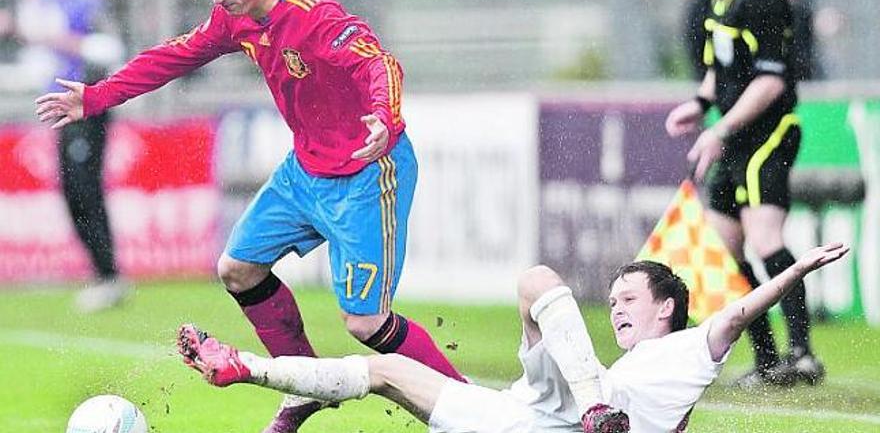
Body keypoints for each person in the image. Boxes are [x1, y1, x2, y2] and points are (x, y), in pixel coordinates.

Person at [33, 0, 465, 430]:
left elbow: (379, 63)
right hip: (304, 172)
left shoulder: (314, 14)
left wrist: (386, 116)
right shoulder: (232, 18)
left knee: (365, 324)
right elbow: (174, 56)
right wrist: (96, 98)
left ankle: (470, 407)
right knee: (238, 268)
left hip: (367, 174)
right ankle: (305, 386)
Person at [178, 243, 849, 433]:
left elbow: (737, 313)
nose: (615, 307)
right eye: (611, 297)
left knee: (535, 279)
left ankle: (592, 407)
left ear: (668, 306)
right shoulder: (622, 358)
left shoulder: (691, 346)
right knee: (382, 372)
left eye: (628, 298)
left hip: (579, 407)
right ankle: (249, 368)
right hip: (526, 413)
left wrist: (797, 268)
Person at [664, 0, 822, 387]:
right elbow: (722, 66)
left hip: (767, 136)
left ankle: (803, 354)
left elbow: (771, 82)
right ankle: (769, 359)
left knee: (765, 238)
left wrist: (721, 128)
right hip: (734, 138)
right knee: (727, 251)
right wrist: (700, 101)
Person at [0, 0, 127, 312]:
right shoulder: (45, 0)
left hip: (87, 105)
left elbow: (109, 50)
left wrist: (42, 35)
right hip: (58, 109)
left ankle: (110, 275)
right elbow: (35, 56)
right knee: (73, 190)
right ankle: (104, 274)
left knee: (85, 187)